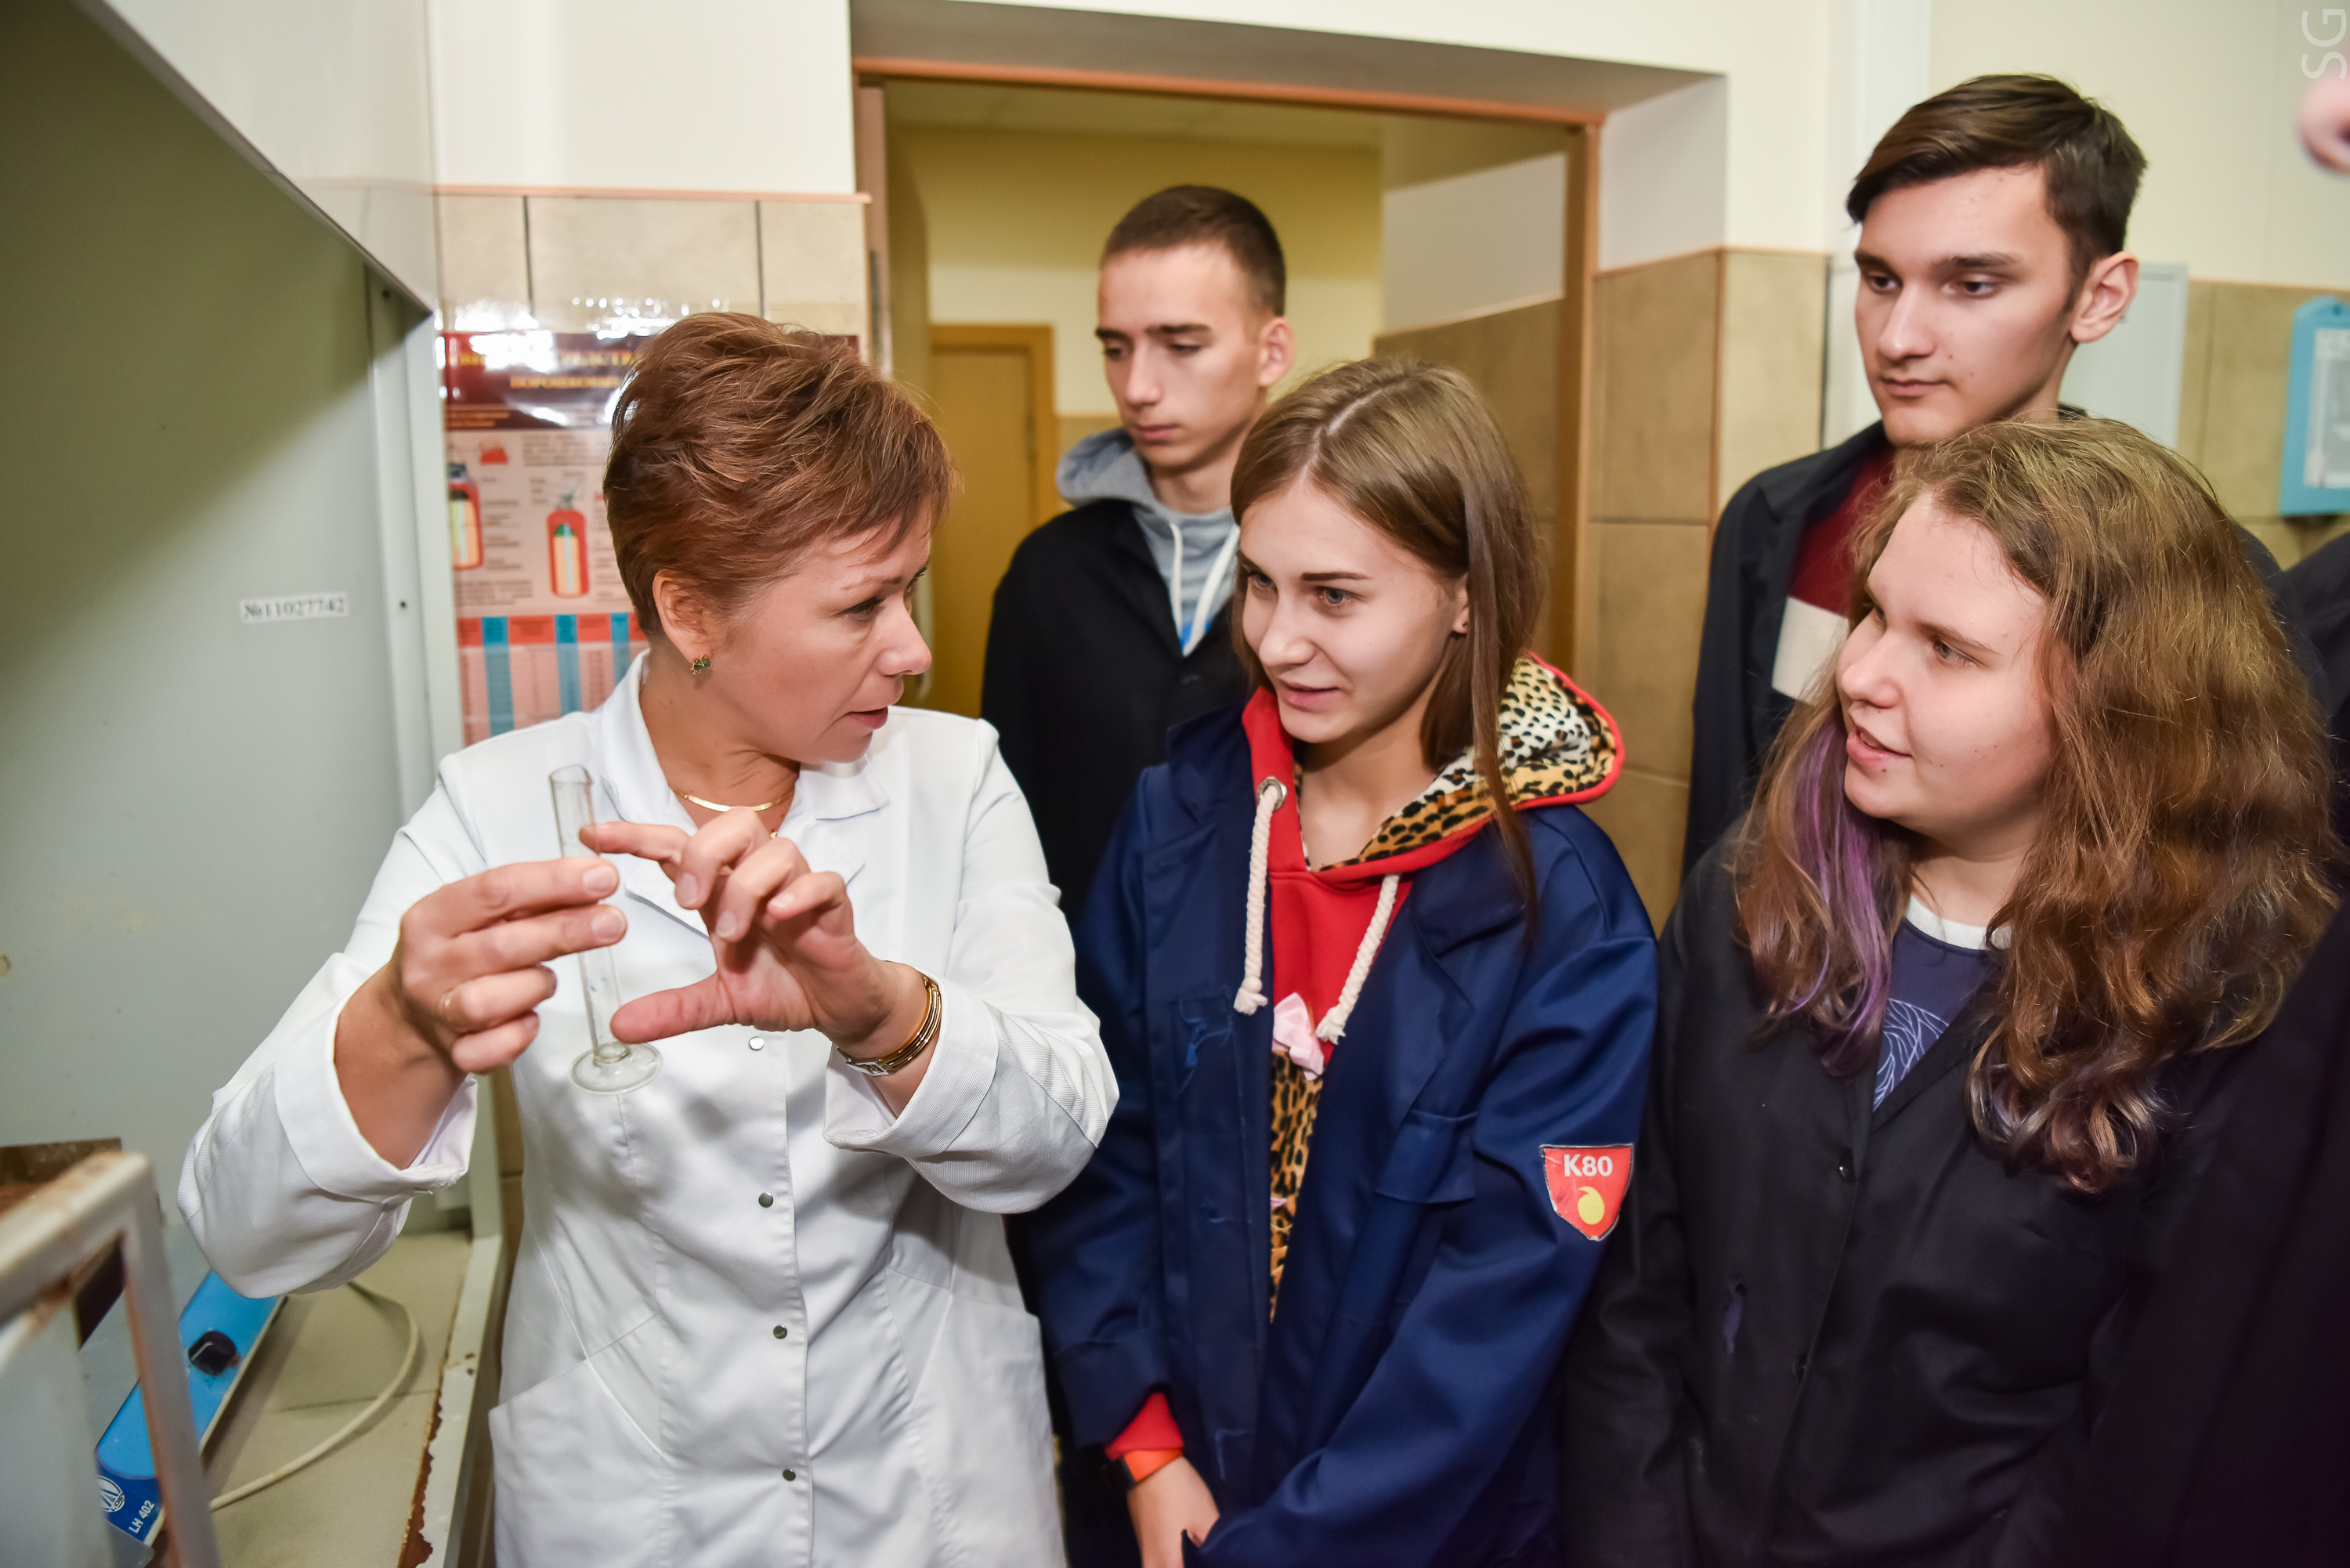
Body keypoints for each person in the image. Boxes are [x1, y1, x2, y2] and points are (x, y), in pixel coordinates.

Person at [179, 316, 1115, 1566]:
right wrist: (401, 1027)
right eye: (861, 604)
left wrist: (883, 1014)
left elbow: (1057, 1136)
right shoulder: (496, 807)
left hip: (928, 1486)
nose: (915, 648)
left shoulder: (958, 776)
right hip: (635, 1497)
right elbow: (247, 1232)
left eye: (910, 587)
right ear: (690, 609)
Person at [1562, 417, 2337, 1566]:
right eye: (1875, 613)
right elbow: (1635, 1285)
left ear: (2115, 706)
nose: (1860, 674)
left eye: (1947, 650)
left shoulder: (2220, 1021)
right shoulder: (1752, 893)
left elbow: (2130, 1429)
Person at [1027, 359, 1656, 1566]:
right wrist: (1145, 1444)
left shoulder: (1563, 913)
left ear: (1465, 595)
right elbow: (1101, 1145)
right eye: (1260, 582)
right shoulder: (1181, 821)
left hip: (1415, 1534)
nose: (1279, 639)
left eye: (1335, 595)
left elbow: (1498, 1312)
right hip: (1169, 1497)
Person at [1683, 74, 2312, 872]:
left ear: (2099, 297)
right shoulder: (1778, 517)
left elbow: (2233, 869)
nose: (1898, 337)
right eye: (1880, 280)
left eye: (1972, 284)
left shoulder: (2196, 573)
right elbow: (1727, 828)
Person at [982, 185, 1293, 912]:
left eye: (1181, 346)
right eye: (1116, 349)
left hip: (1283, 968)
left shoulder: (1334, 574)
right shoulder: (1047, 572)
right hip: (1082, 970)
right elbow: (1006, 819)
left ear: (1271, 351)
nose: (1138, 387)